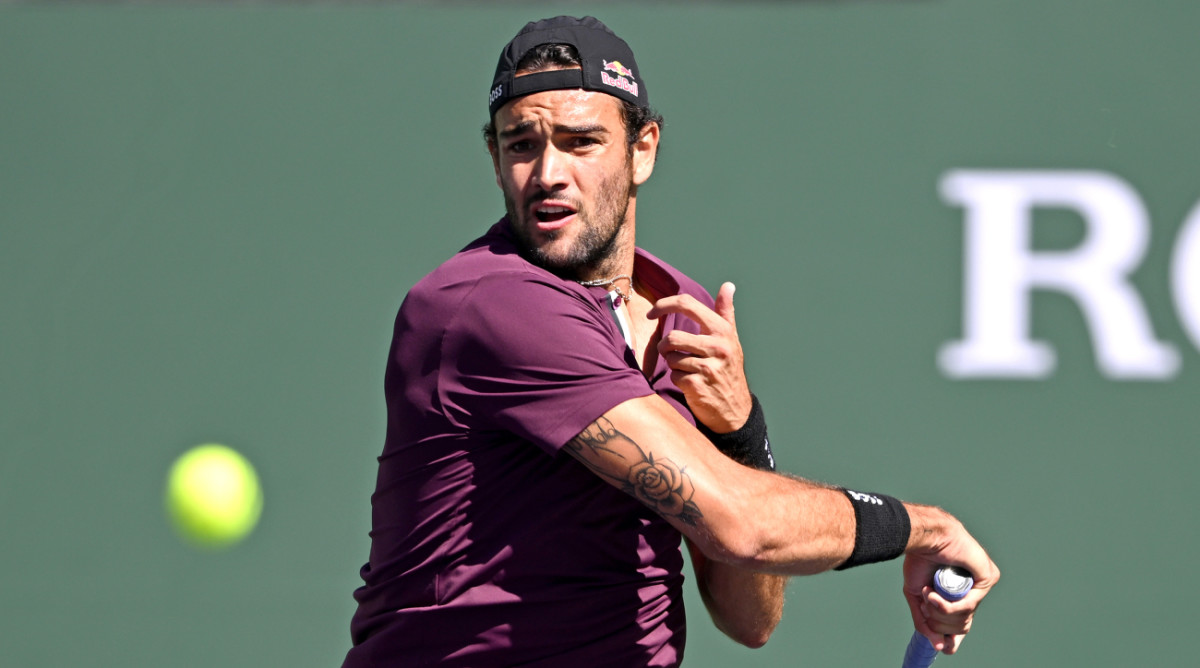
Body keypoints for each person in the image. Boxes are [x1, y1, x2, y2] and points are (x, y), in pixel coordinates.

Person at [343, 15, 998, 667]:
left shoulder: (680, 311)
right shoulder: (491, 306)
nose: (548, 173)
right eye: (521, 145)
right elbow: (741, 526)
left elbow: (750, 618)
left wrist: (739, 427)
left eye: (581, 142)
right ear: (494, 158)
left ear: (643, 149)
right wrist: (924, 529)